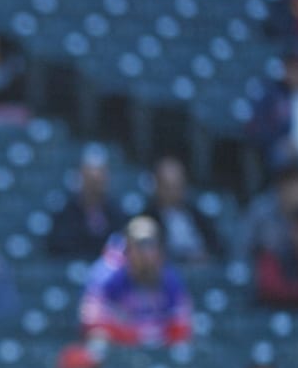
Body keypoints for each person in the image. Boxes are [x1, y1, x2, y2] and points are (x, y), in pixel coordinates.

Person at [79, 217, 194, 347]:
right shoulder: (106, 274)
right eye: (139, 245)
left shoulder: (170, 277)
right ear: (127, 248)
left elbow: (182, 324)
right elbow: (92, 323)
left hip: (157, 349)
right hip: (119, 350)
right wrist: (140, 335)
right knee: (98, 340)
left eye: (150, 245)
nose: (145, 253)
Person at [46, 144, 124, 260]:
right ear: (81, 178)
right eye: (91, 180)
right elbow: (58, 245)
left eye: (99, 181)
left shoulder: (116, 213)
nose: (95, 186)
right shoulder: (65, 212)